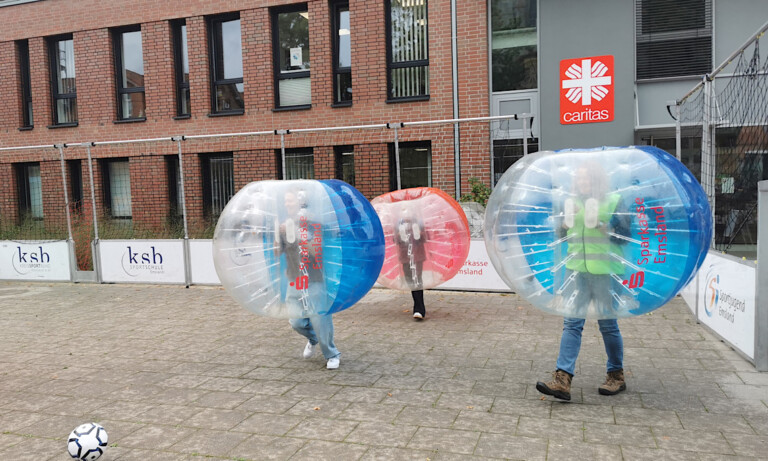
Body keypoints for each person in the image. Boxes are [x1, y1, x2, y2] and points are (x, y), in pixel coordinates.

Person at [536, 162, 631, 401]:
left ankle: (616, 375)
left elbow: (625, 236)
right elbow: (561, 236)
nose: (580, 183)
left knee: (607, 324)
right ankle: (562, 378)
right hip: (576, 270)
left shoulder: (614, 201)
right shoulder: (571, 204)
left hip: (606, 272)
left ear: (597, 180)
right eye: (578, 179)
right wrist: (565, 226)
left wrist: (605, 226)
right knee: (572, 323)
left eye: (585, 179)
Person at [278, 190, 341, 370]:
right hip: (294, 279)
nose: (286, 204)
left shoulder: (313, 224)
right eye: (285, 201)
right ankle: (313, 339)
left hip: (314, 278)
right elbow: (278, 252)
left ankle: (332, 354)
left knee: (320, 318)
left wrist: (298, 233)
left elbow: (315, 252)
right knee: (296, 322)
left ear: (300, 203)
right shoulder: (285, 225)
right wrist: (277, 232)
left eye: (289, 200)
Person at [395, 205, 427, 319]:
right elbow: (394, 240)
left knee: (417, 279)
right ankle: (417, 305)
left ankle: (419, 309)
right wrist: (400, 235)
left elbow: (426, 237)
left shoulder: (418, 223)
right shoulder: (398, 224)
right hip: (405, 257)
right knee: (410, 280)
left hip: (417, 256)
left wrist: (418, 233)